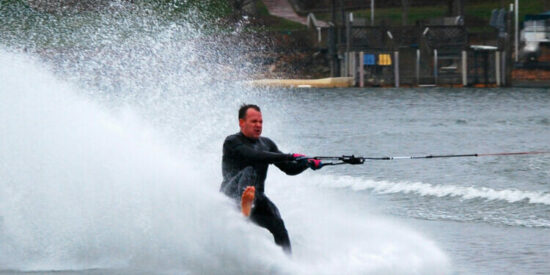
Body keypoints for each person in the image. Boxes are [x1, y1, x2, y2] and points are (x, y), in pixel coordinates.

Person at [220, 104, 322, 254]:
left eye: (261, 122)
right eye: (254, 121)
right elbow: (254, 156)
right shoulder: (232, 142)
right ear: (241, 123)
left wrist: (307, 163)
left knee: (279, 226)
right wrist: (290, 155)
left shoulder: (267, 144)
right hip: (232, 196)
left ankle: (288, 266)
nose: (258, 125)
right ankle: (244, 206)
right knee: (250, 169)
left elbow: (289, 169)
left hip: (257, 199)